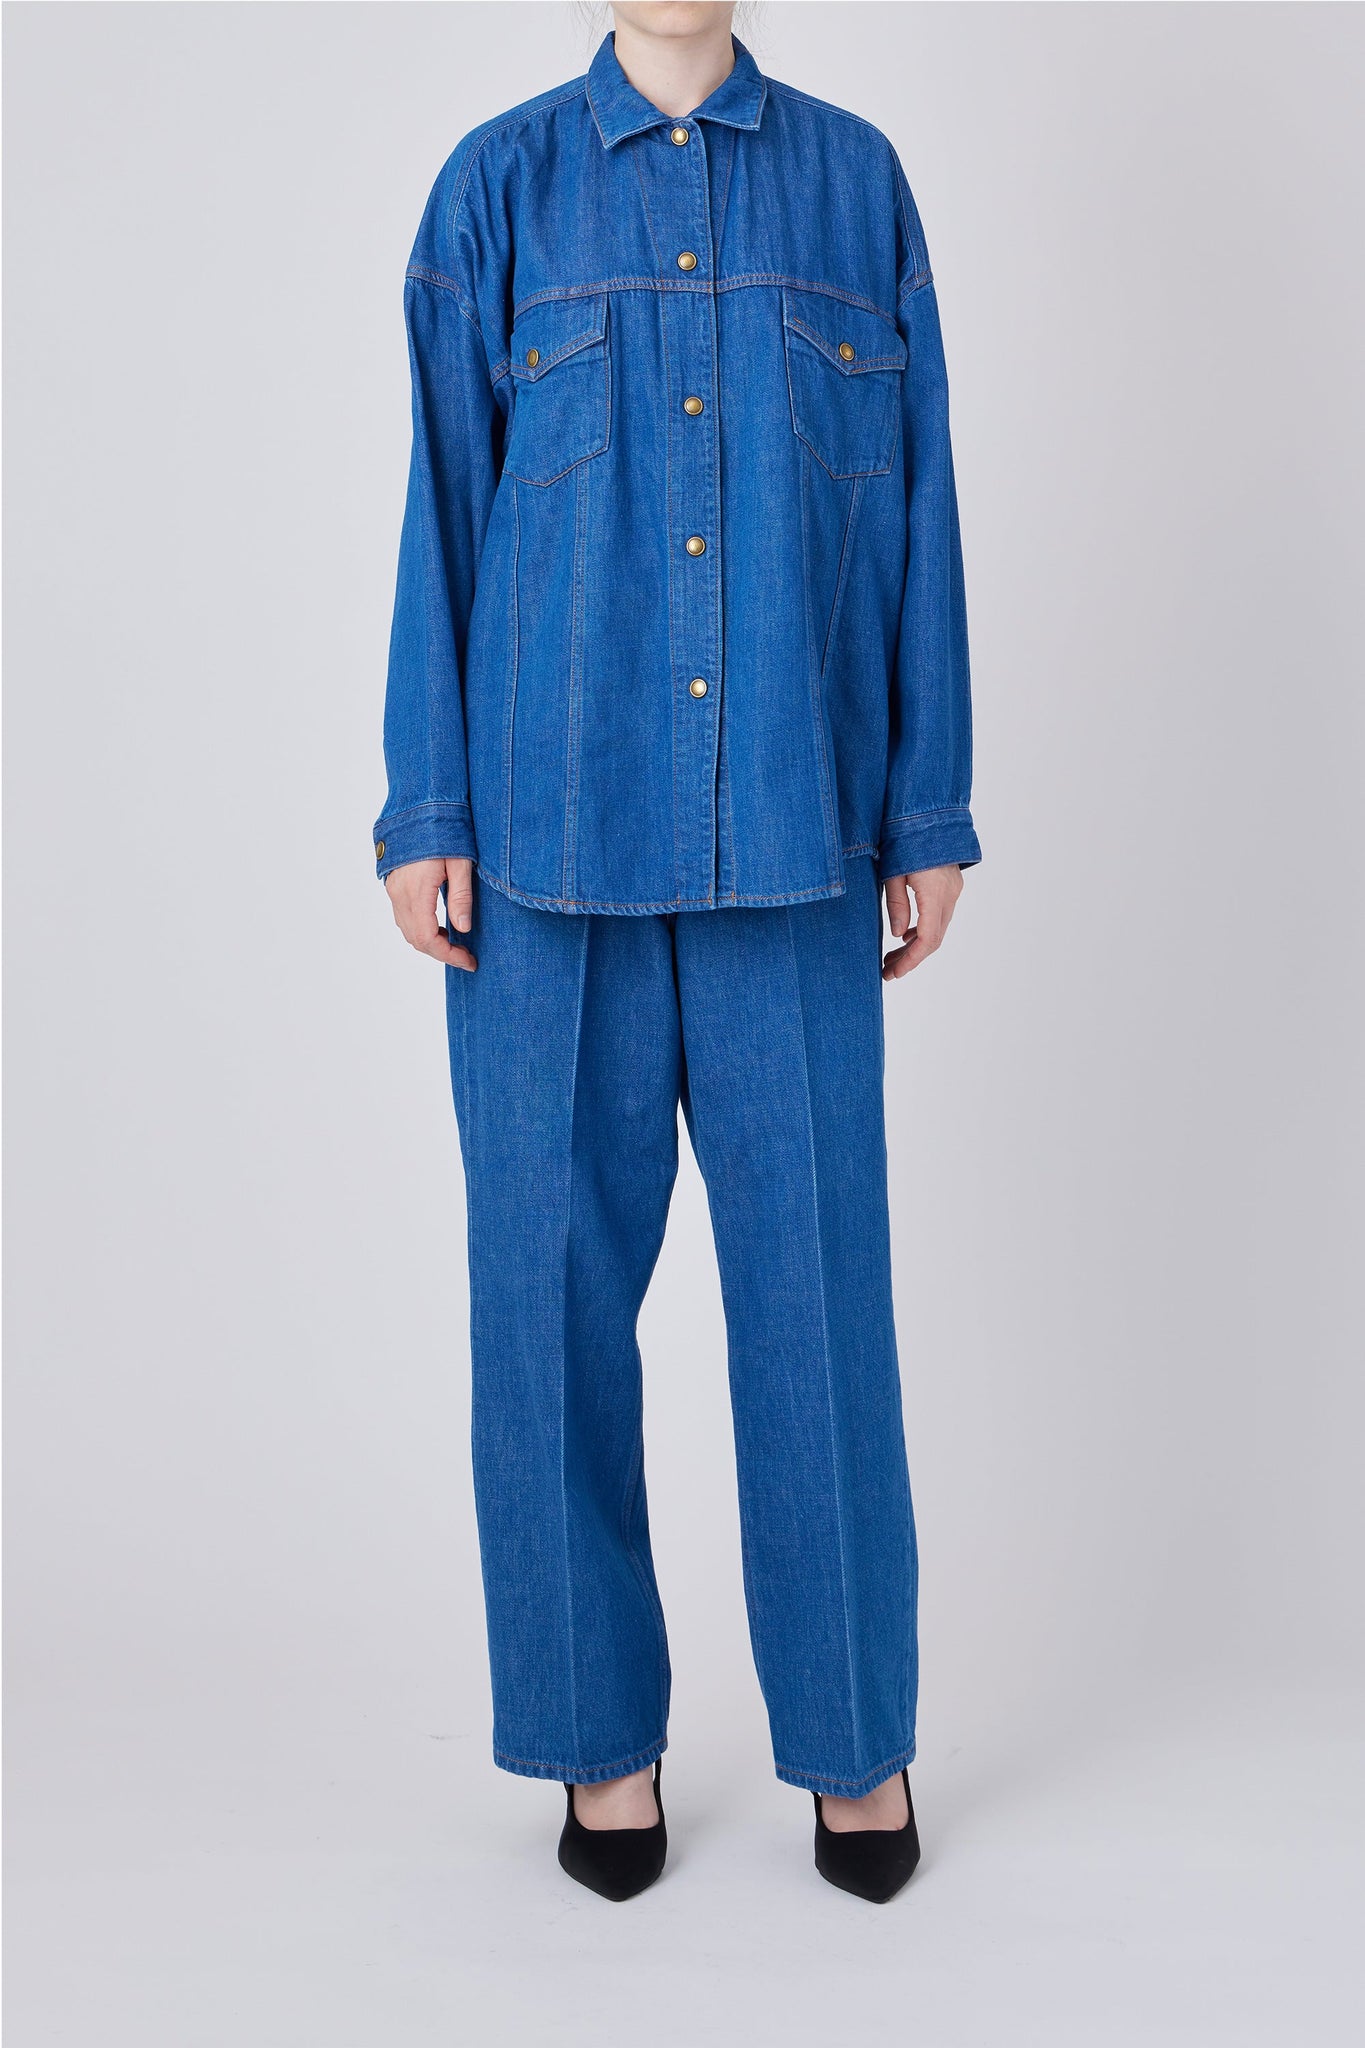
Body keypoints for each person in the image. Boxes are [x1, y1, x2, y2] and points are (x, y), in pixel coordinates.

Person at [375, 0, 979, 1904]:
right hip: (543, 852)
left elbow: (920, 508)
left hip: (798, 839)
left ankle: (855, 1741)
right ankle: (597, 1744)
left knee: (820, 1312)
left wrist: (927, 810)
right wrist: (425, 807)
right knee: (543, 1316)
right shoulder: (494, 192)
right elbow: (441, 510)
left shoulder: (857, 186)